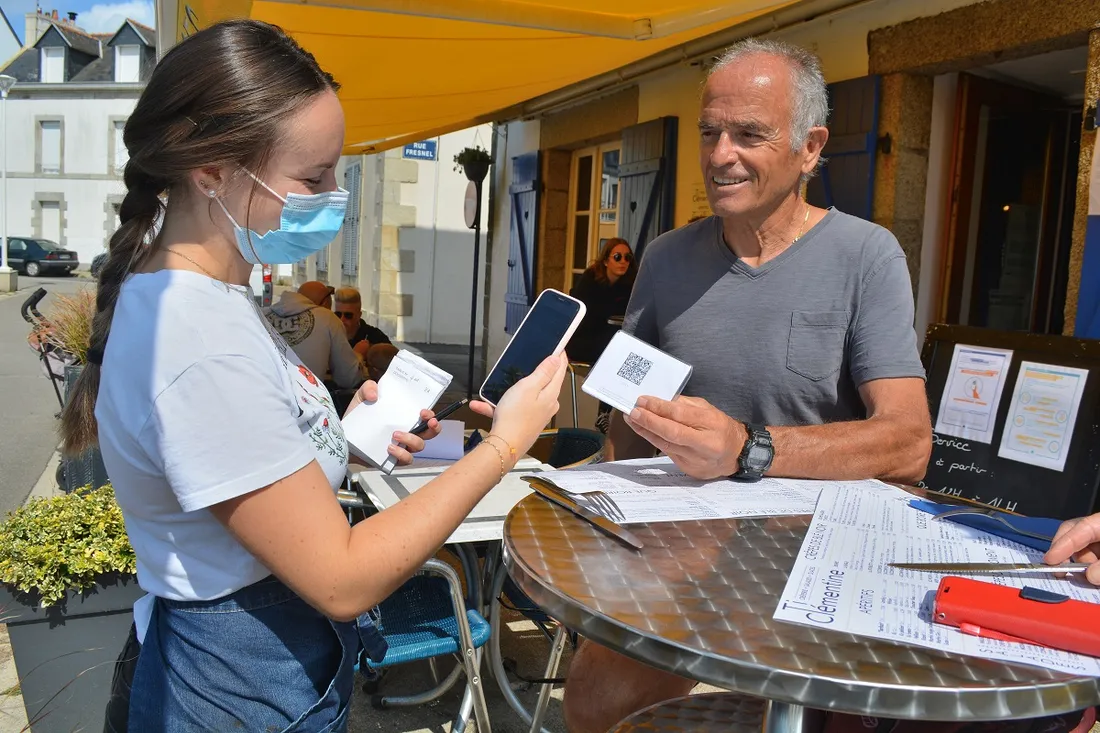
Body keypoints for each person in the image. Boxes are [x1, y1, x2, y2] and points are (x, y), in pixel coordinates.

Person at [61, 19, 567, 731]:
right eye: (313, 177)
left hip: (254, 670)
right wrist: (505, 446)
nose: (335, 194)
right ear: (211, 172)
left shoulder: (214, 297)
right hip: (238, 685)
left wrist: (345, 441)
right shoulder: (197, 339)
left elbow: (243, 466)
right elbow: (342, 578)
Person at [567, 237, 637, 432]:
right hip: (582, 339)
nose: (623, 262)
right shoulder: (590, 280)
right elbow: (586, 315)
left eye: (627, 257)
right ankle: (604, 413)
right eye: (618, 257)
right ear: (606, 260)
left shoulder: (629, 284)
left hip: (607, 337)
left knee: (628, 351)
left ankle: (619, 412)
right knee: (616, 350)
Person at [265, 280, 367, 389]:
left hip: (264, 392)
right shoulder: (328, 318)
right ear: (325, 303)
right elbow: (348, 378)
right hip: (304, 395)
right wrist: (358, 356)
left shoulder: (261, 314)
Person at [333, 286, 391, 358]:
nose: (342, 319)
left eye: (348, 315)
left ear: (359, 315)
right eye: (338, 314)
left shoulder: (376, 338)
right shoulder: (329, 336)